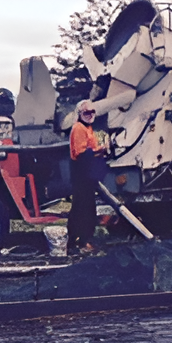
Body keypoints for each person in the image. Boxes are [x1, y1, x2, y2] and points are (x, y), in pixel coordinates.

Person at [67, 101, 106, 254]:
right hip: (81, 173)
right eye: (86, 113)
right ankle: (80, 241)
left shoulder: (87, 128)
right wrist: (99, 151)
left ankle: (80, 240)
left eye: (92, 112)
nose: (90, 115)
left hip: (87, 173)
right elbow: (80, 153)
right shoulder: (78, 128)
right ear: (79, 114)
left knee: (85, 207)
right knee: (82, 208)